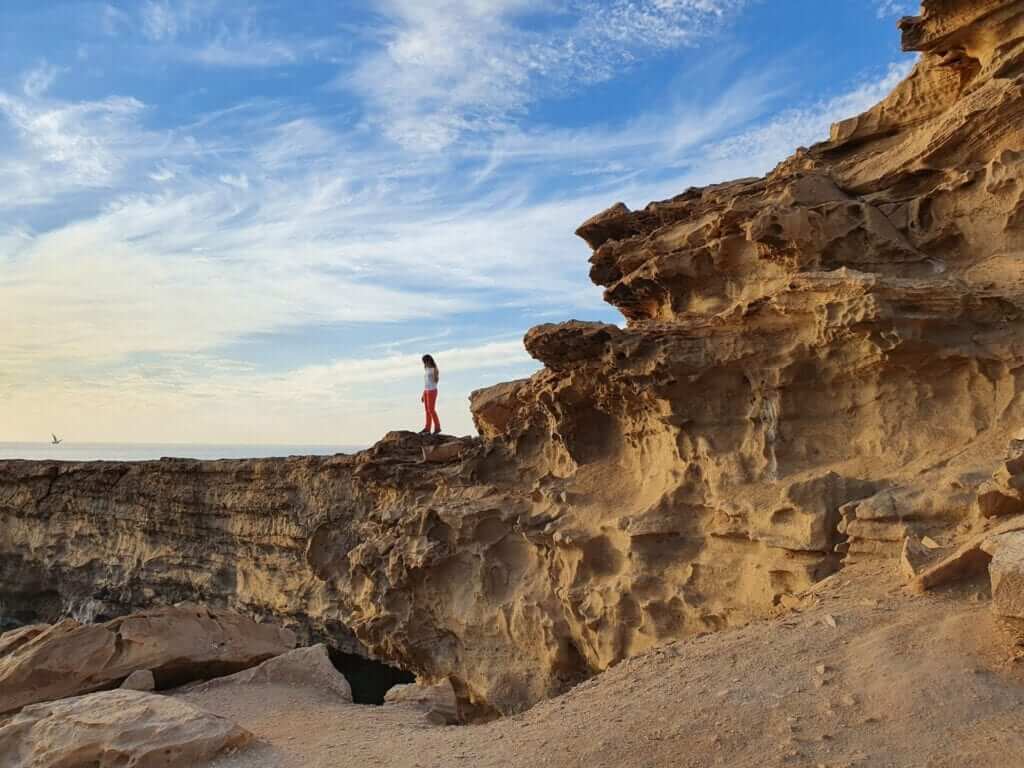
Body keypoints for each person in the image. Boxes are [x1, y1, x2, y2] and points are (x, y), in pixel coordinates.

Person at [420, 354, 441, 435]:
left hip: (432, 391)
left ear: (429, 360)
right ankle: (427, 428)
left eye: (425, 361)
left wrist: (436, 375)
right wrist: (423, 394)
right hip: (426, 391)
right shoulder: (427, 369)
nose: (424, 363)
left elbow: (436, 381)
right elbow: (426, 383)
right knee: (427, 411)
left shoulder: (434, 369)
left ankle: (437, 427)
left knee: (431, 410)